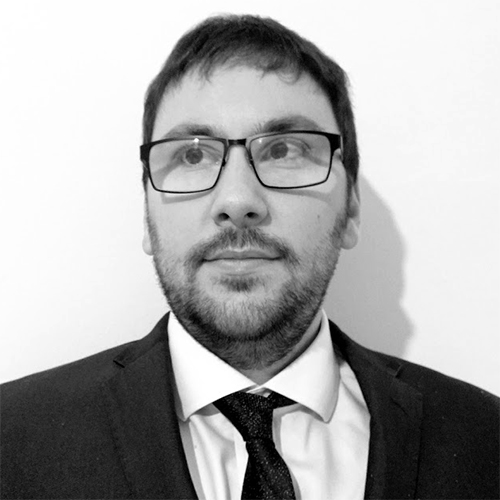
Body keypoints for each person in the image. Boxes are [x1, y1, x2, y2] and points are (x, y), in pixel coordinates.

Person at [1, 14, 498, 500]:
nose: (237, 200)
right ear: (147, 214)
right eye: (192, 155)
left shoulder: (486, 441)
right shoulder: (13, 441)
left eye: (284, 150)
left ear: (351, 208)